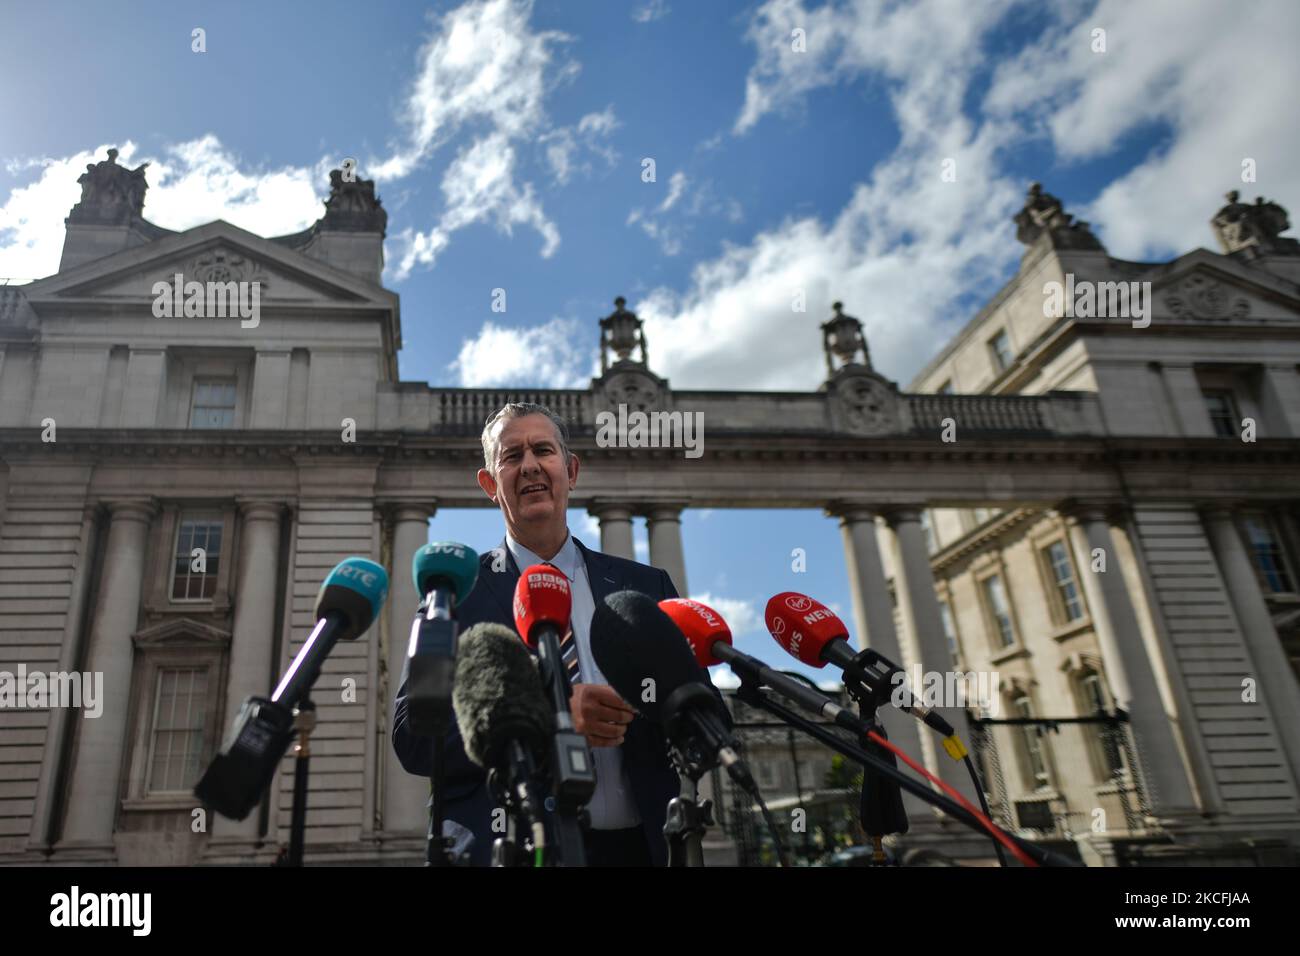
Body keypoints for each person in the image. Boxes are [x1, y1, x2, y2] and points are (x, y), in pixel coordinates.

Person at [393, 402, 723, 865]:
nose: (529, 465)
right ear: (490, 484)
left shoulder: (646, 587)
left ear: (570, 471)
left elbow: (707, 717)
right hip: (513, 850)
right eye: (511, 456)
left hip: (645, 849)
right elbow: (415, 737)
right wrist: (551, 717)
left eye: (543, 450)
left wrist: (662, 706)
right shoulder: (454, 593)